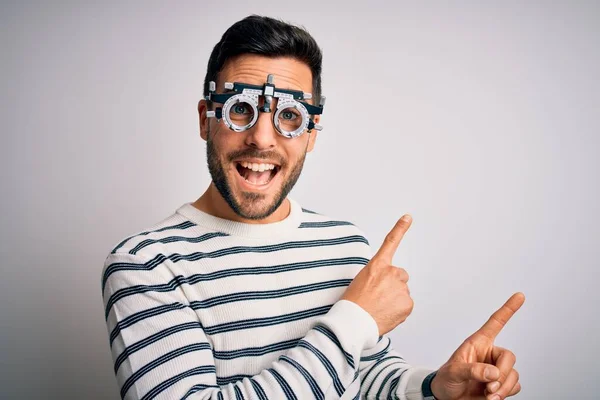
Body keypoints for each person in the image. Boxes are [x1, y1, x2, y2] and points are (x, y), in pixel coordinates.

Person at [102, 15, 524, 400]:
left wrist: (433, 388)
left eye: (289, 116)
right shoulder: (145, 265)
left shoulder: (343, 245)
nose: (262, 139)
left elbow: (361, 378)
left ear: (312, 135)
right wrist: (354, 319)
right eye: (242, 110)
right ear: (205, 119)